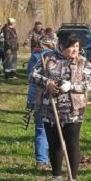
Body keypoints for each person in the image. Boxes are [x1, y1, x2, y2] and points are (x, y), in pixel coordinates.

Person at [30, 32, 91, 181]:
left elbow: (89, 84)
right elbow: (33, 75)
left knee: (72, 142)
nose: (75, 50)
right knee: (54, 142)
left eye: (77, 46)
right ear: (62, 46)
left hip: (74, 109)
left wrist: (71, 86)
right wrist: (47, 83)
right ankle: (56, 175)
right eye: (71, 46)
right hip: (49, 106)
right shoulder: (47, 59)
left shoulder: (83, 62)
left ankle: (72, 180)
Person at [26, 34, 57, 169]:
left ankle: (41, 160)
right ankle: (52, 157)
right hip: (46, 97)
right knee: (52, 128)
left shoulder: (34, 56)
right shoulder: (53, 57)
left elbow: (30, 76)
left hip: (34, 97)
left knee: (40, 129)